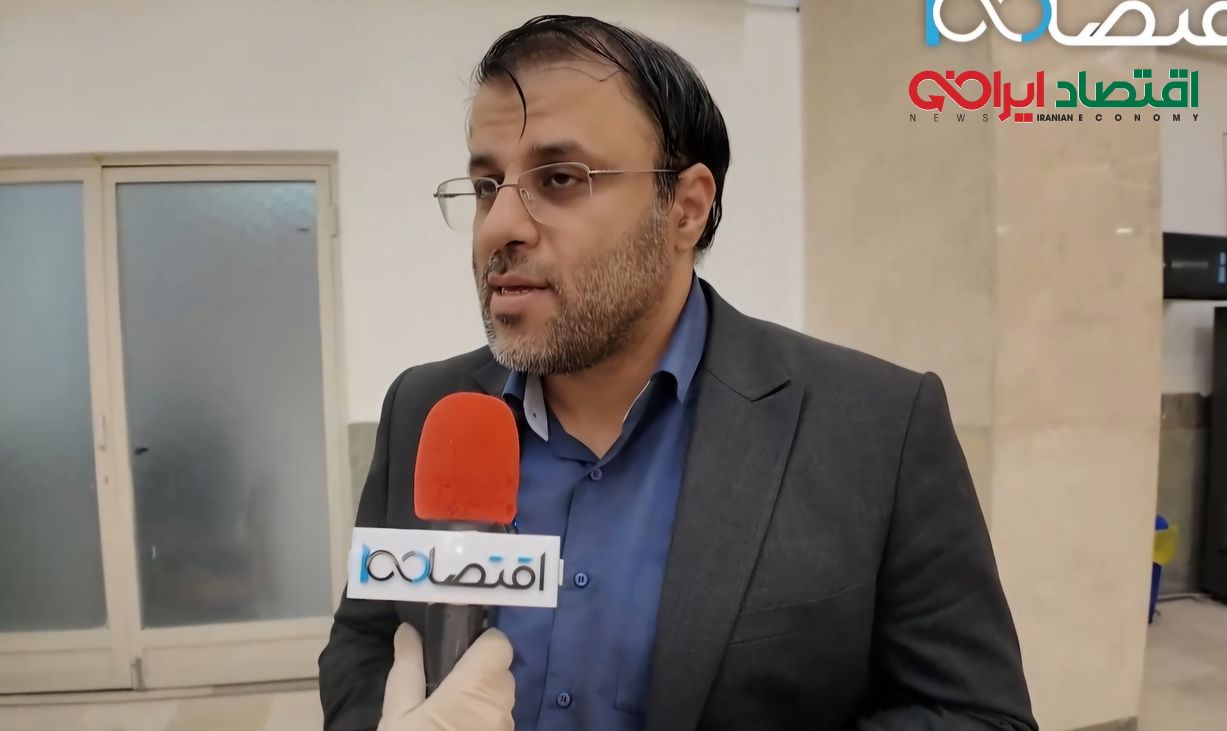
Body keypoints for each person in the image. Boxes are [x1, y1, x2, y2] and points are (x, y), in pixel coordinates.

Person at [319, 14, 1037, 731]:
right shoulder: (427, 407)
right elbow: (364, 643)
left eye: (560, 179)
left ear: (686, 209)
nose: (499, 227)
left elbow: (975, 715)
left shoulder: (876, 427)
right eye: (485, 185)